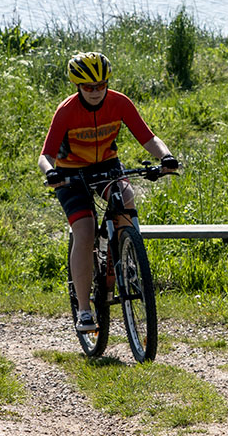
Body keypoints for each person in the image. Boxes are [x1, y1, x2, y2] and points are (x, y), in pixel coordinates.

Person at [38, 51, 179, 333]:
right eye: (88, 87)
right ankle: (84, 310)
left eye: (101, 85)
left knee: (126, 197)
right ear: (78, 86)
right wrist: (50, 173)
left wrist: (166, 156)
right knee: (85, 229)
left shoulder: (119, 102)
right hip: (71, 174)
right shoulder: (66, 110)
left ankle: (128, 257)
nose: (95, 92)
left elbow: (147, 137)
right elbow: (46, 155)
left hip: (107, 166)